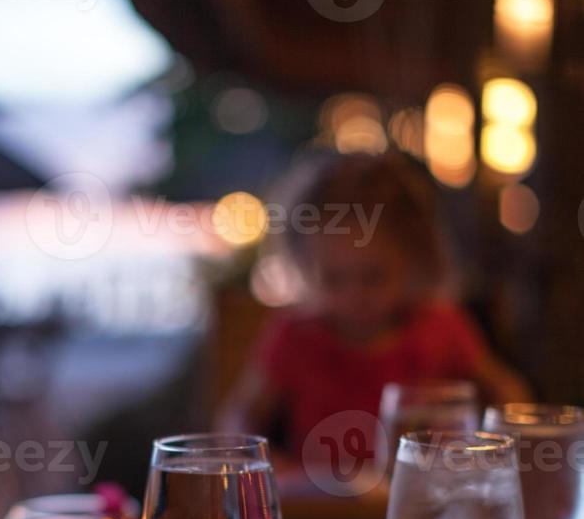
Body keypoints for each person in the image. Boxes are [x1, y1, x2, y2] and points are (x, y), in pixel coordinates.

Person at [222, 152, 531, 463]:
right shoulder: (295, 336)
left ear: (415, 262)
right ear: (304, 264)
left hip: (418, 497)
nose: (353, 295)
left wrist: (492, 454)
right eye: (333, 278)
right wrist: (264, 464)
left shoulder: (440, 328)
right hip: (319, 507)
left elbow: (507, 395)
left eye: (373, 277)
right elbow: (241, 417)